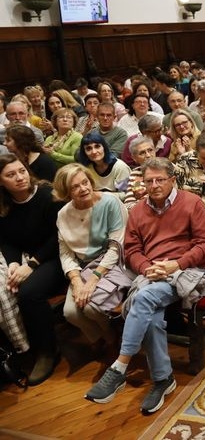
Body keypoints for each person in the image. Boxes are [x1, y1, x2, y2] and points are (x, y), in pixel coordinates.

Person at [85, 157, 205, 414]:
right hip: (151, 273)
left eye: (160, 180)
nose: (154, 185)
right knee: (152, 316)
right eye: (149, 181)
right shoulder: (138, 210)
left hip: (185, 271)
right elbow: (132, 250)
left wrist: (175, 264)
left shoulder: (191, 203)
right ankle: (162, 379)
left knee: (142, 300)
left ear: (172, 180)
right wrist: (147, 268)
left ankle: (120, 366)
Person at [0, 154, 64, 385]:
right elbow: (7, 240)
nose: (19, 178)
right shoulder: (5, 205)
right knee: (9, 285)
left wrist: (32, 264)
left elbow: (59, 237)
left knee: (28, 292)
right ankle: (19, 347)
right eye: (10, 175)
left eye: (22, 171)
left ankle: (48, 351)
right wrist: (14, 262)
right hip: (29, 258)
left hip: (58, 257)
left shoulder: (48, 196)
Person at [54, 164, 129, 360]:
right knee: (70, 312)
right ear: (66, 192)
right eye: (75, 187)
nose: (84, 189)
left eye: (85, 182)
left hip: (114, 262)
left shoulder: (110, 202)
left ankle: (111, 338)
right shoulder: (63, 214)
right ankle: (103, 336)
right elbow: (66, 253)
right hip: (84, 267)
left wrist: (93, 280)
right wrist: (77, 281)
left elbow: (116, 247)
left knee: (90, 307)